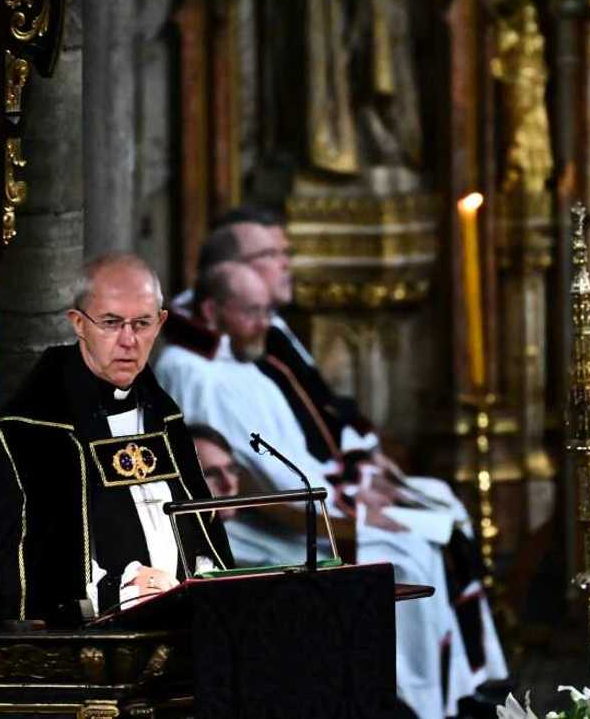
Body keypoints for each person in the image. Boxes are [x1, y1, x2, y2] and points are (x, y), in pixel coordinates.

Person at [156, 261, 492, 719]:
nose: (266, 323)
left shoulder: (247, 355)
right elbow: (241, 476)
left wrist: (359, 483)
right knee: (407, 557)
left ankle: (457, 690)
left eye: (266, 310)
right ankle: (415, 700)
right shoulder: (196, 372)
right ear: (214, 310)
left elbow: (300, 447)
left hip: (307, 499)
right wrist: (349, 517)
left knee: (439, 517)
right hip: (258, 524)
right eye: (252, 312)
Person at [0, 254, 233, 628]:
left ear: (161, 323)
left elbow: (205, 534)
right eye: (111, 323)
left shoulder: (165, 420)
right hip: (91, 645)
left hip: (186, 630)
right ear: (78, 324)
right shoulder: (30, 434)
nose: (128, 340)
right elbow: (14, 584)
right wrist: (122, 589)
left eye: (142, 323)